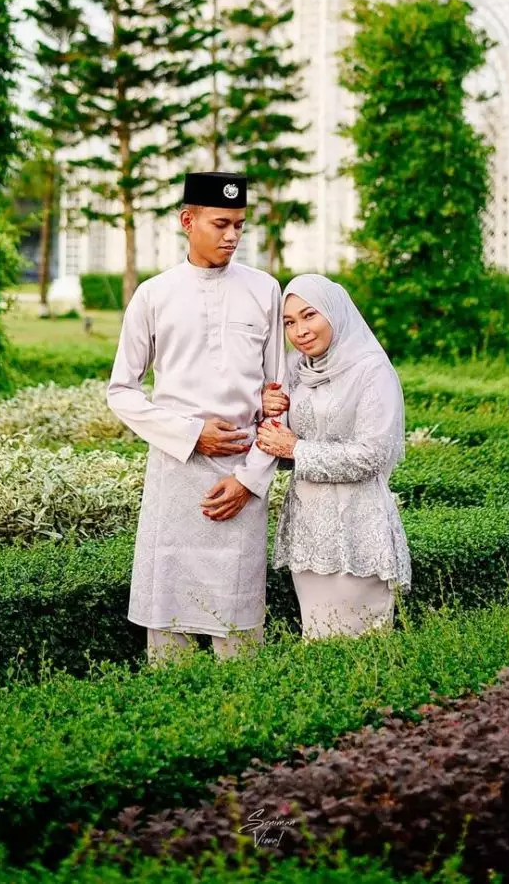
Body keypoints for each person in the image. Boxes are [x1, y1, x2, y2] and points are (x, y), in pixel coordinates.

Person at [107, 171, 285, 663]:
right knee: (169, 634)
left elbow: (278, 399)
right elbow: (121, 391)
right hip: (176, 477)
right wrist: (190, 434)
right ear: (188, 220)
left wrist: (250, 482)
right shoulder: (153, 294)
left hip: (242, 476)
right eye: (221, 224)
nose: (232, 237)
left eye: (240, 226)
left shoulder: (264, 290)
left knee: (241, 633)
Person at [256, 273, 411, 639]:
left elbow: (373, 455)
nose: (300, 331)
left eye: (310, 315)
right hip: (309, 532)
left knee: (362, 648)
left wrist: (297, 449)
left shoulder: (372, 369)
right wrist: (265, 407)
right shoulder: (295, 369)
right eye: (289, 322)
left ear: (334, 312)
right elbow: (276, 438)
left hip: (358, 529)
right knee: (318, 641)